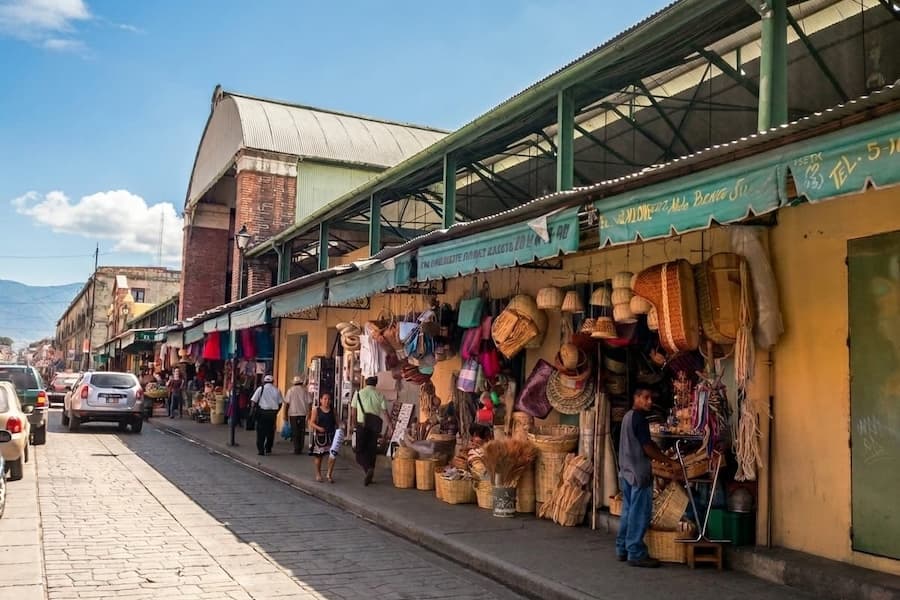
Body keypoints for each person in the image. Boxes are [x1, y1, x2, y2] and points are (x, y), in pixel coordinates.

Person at [616, 387, 681, 568]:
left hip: (626, 471)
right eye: (646, 398)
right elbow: (647, 448)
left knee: (628, 512)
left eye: (651, 398)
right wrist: (669, 461)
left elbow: (647, 443)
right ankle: (635, 553)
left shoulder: (628, 417)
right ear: (636, 398)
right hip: (639, 473)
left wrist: (658, 452)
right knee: (639, 514)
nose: (650, 401)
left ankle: (622, 549)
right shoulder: (639, 419)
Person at [350, 376, 393, 486]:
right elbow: (385, 413)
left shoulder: (358, 393)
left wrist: (353, 425)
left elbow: (353, 411)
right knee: (371, 451)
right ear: (375, 384)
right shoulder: (380, 395)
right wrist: (390, 427)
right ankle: (370, 472)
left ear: (365, 382)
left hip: (361, 425)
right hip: (374, 427)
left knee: (359, 451)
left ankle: (368, 469)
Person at [250, 374, 284, 456]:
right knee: (270, 431)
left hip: (262, 413)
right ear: (273, 382)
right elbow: (280, 403)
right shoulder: (277, 390)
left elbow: (253, 401)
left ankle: (261, 450)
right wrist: (276, 411)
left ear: (264, 381)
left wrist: (252, 410)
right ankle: (268, 448)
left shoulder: (260, 389)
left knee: (260, 432)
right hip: (272, 414)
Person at [309, 392, 337, 483]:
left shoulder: (333, 410)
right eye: (325, 399)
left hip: (331, 436)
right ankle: (318, 474)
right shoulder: (316, 410)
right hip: (320, 437)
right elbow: (311, 422)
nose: (327, 401)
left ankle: (329, 474)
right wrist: (318, 428)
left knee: (332, 456)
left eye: (328, 399)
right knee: (319, 457)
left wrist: (342, 426)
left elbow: (337, 421)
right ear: (320, 400)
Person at [283, 375, 312, 455]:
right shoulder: (305, 391)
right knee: (301, 431)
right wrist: (309, 413)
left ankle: (296, 448)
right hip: (303, 414)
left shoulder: (290, 391)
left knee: (295, 431)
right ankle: (300, 448)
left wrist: (285, 415)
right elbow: (310, 403)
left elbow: (287, 404)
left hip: (293, 414)